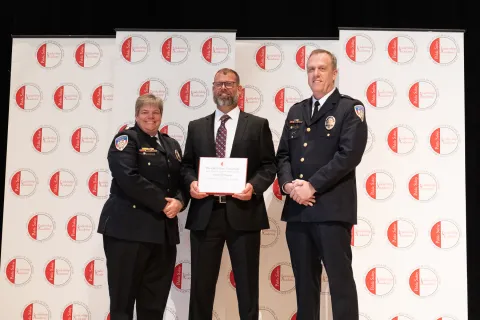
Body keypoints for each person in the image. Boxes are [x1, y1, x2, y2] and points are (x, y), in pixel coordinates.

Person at [276, 49, 368, 320]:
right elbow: (283, 155)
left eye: (322, 68)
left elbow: (349, 154)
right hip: (298, 212)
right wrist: (289, 186)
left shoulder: (350, 108)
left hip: (331, 211)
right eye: (311, 69)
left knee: (340, 284)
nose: (315, 74)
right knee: (304, 285)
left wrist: (311, 186)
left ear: (334, 73)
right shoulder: (297, 110)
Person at [181, 68, 276, 320]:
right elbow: (187, 166)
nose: (224, 88)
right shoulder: (197, 126)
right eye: (219, 84)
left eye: (230, 84)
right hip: (205, 215)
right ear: (212, 89)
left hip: (244, 214)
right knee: (200, 287)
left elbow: (269, 166)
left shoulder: (257, 125)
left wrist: (253, 187)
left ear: (239, 89)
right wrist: (191, 183)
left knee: (247, 287)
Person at [97, 93, 189, 320]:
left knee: (154, 303)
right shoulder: (126, 140)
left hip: (163, 234)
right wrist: (162, 204)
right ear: (136, 115)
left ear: (161, 116)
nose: (151, 117)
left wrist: (180, 201)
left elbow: (182, 180)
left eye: (155, 112)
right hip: (128, 232)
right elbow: (128, 178)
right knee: (123, 301)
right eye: (145, 112)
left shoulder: (172, 144)